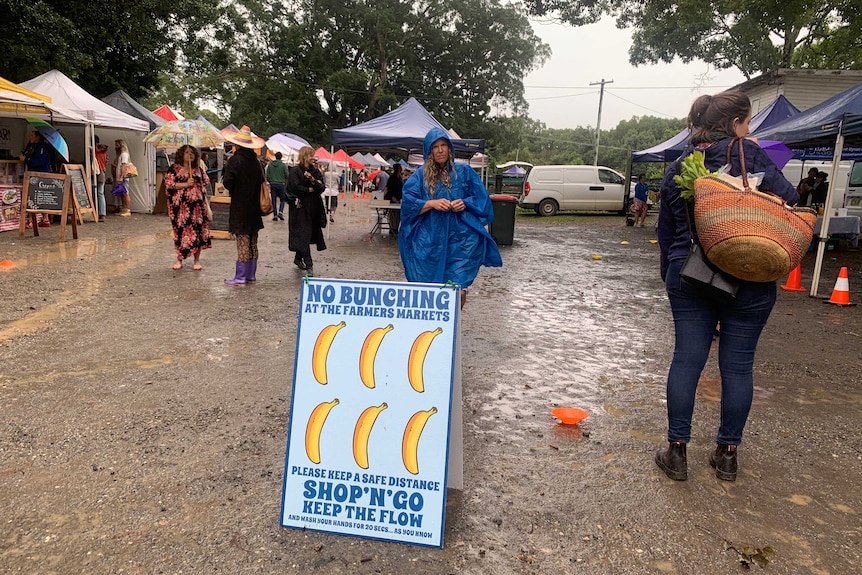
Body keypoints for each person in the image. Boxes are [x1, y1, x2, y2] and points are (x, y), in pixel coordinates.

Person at [655, 91, 799, 482]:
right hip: (752, 275)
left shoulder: (686, 162)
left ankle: (677, 452)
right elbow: (791, 198)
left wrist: (669, 270)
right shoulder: (751, 154)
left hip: (689, 273)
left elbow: (667, 226)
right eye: (748, 121)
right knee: (738, 366)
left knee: (687, 359)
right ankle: (728, 454)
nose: (750, 129)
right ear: (736, 123)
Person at [398, 127, 502, 309]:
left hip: (461, 241)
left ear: (449, 148)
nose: (440, 150)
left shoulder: (464, 172)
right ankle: (434, 328)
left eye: (443, 145)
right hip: (430, 242)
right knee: (429, 290)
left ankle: (453, 326)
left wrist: (465, 203)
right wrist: (432, 203)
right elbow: (407, 204)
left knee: (458, 289)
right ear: (429, 150)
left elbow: (482, 200)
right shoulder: (420, 176)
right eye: (435, 146)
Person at [222, 126, 265, 285]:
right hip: (254, 207)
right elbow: (261, 181)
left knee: (242, 241)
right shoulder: (257, 162)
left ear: (237, 144)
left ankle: (240, 276)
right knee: (253, 241)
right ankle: (251, 274)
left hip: (240, 207)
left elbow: (228, 183)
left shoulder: (235, 160)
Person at [164, 145, 212, 271]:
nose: (189, 154)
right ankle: (179, 259)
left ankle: (197, 260)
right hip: (181, 208)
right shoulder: (174, 169)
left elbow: (205, 183)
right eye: (186, 152)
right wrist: (186, 184)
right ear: (181, 154)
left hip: (197, 208)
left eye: (192, 152)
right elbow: (169, 184)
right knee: (180, 232)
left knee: (197, 232)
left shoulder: (199, 170)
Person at [287, 146, 327, 276]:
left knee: (307, 234)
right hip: (299, 209)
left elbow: (321, 187)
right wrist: (308, 189)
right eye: (311, 155)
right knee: (303, 233)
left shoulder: (315, 171)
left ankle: (298, 258)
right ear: (304, 156)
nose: (313, 158)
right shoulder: (295, 171)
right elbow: (294, 187)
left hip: (313, 208)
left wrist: (312, 181)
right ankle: (309, 265)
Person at [266, 151, 289, 221]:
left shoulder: (270, 165)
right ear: (281, 157)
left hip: (272, 184)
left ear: (275, 156)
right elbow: (287, 175)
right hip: (281, 184)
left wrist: (270, 181)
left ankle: (275, 214)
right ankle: (281, 212)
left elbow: (267, 175)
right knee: (282, 199)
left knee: (274, 200)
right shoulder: (283, 165)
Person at [112, 139, 132, 217]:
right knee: (122, 193)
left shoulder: (124, 154)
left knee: (125, 193)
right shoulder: (121, 155)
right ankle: (124, 208)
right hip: (120, 176)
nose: (115, 147)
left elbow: (124, 165)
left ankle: (127, 209)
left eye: (117, 145)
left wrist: (121, 176)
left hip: (123, 177)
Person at [384, 163, 403, 235]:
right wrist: (392, 197)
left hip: (399, 198)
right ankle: (392, 228)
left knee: (398, 214)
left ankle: (396, 228)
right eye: (400, 168)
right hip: (393, 198)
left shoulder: (400, 177)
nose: (401, 169)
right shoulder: (392, 178)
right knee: (393, 214)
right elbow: (389, 189)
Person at [93, 135, 108, 221]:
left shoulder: (95, 150)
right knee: (100, 192)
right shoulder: (104, 150)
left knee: (99, 192)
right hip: (103, 171)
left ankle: (100, 212)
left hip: (98, 171)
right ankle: (102, 213)